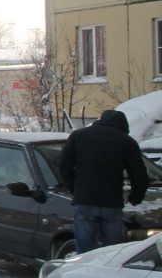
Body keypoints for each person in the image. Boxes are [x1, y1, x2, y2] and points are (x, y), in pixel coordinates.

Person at [57, 109, 148, 254]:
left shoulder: (79, 136)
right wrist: (136, 197)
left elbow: (64, 166)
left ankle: (84, 273)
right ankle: (106, 272)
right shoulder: (127, 142)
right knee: (111, 251)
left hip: (85, 201)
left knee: (85, 250)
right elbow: (139, 175)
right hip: (111, 202)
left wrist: (75, 189)